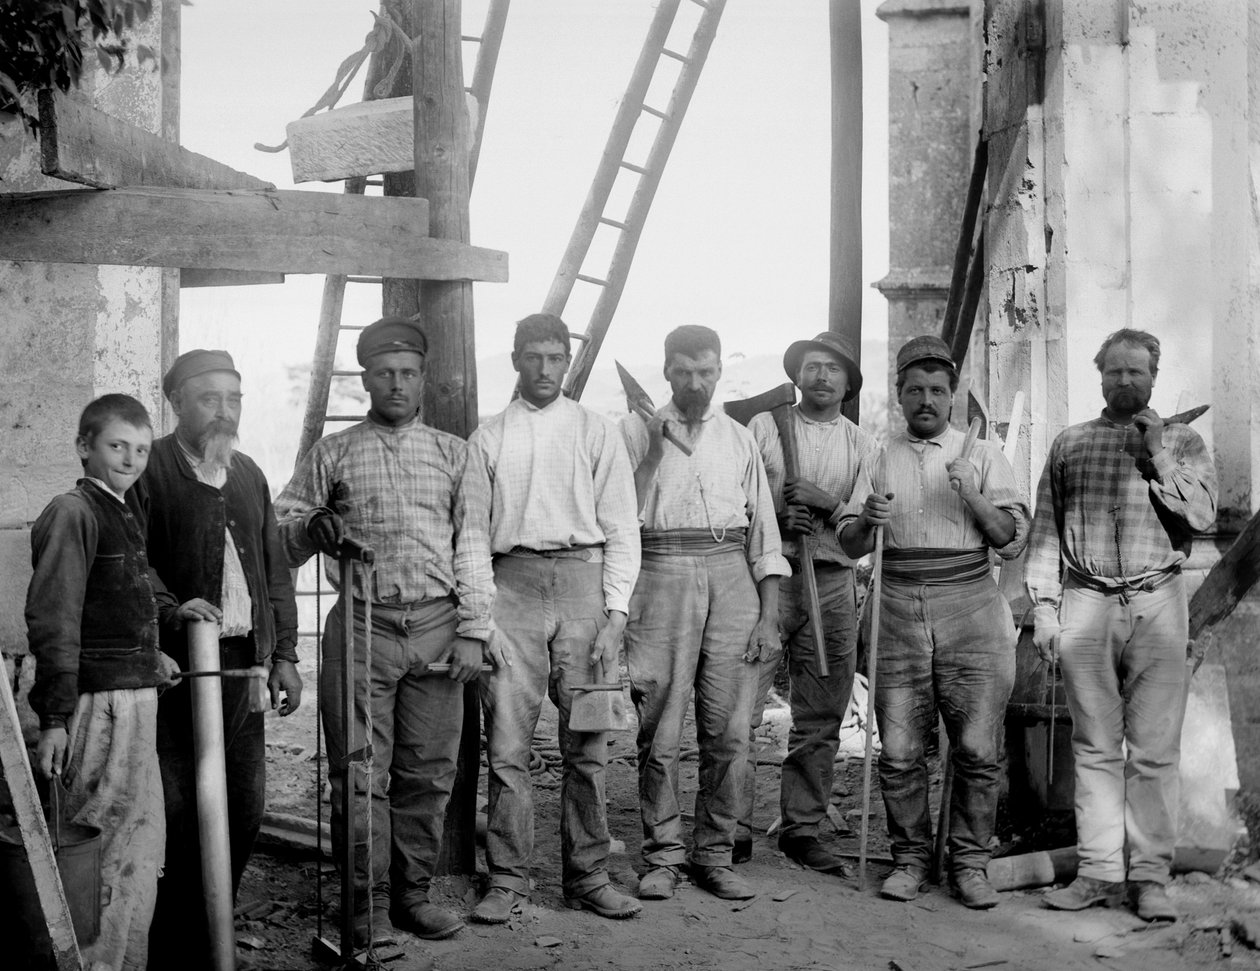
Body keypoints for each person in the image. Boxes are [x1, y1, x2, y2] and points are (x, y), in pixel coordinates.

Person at [275, 317, 495, 946]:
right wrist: (312, 525)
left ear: (423, 378)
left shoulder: (457, 454)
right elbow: (284, 526)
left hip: (438, 626)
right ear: (365, 378)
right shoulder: (333, 453)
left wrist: (475, 629)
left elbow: (473, 545)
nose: (396, 384)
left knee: (427, 774)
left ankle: (412, 895)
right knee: (358, 770)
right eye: (384, 374)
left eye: (408, 373)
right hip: (363, 628)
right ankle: (365, 906)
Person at [1026, 329, 1216, 922]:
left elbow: (1203, 516)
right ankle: (1100, 873)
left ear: (1154, 377)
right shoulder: (1070, 443)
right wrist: (1044, 610)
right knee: (1095, 746)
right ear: (1099, 375)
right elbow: (1045, 530)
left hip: (1159, 601)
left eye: (1136, 372)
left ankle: (1151, 878)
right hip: (1087, 601)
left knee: (1155, 751)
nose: (1125, 381)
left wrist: (1158, 449)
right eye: (1114, 372)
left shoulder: (1183, 440)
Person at [838, 334, 1029, 909]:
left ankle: (969, 864)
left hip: (971, 603)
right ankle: (910, 860)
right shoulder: (876, 454)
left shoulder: (984, 454)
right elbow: (848, 544)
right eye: (915, 390)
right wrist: (865, 519)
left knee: (975, 747)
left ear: (953, 397)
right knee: (899, 750)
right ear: (899, 396)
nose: (927, 399)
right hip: (895, 603)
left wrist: (972, 494)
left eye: (938, 390)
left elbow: (1011, 541)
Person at [26, 394, 216, 971]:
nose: (130, 460)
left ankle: (123, 962)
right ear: (84, 447)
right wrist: (54, 719)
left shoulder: (121, 510)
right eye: (116, 446)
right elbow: (54, 619)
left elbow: (125, 593)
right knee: (99, 848)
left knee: (135, 847)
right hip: (97, 708)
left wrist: (159, 636)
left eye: (139, 449)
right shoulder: (73, 511)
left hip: (131, 701)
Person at [463, 313, 642, 923]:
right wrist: (482, 619)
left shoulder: (596, 431)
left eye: (555, 357)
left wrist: (615, 613)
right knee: (508, 744)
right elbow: (470, 537)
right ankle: (508, 878)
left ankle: (588, 875)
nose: (544, 369)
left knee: (587, 742)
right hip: (511, 586)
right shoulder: (487, 438)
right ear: (515, 358)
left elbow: (622, 526)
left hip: (583, 588)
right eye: (533, 357)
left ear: (567, 361)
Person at [135, 349, 303, 968]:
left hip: (241, 669)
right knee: (179, 815)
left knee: (244, 807)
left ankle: (214, 935)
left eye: (234, 398)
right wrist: (169, 607)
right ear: (177, 403)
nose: (224, 411)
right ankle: (176, 951)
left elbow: (274, 569)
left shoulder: (249, 472)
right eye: (210, 399)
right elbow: (131, 559)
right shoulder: (149, 468)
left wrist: (284, 654)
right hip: (174, 673)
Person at [621, 324, 788, 903]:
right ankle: (664, 856)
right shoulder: (632, 431)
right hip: (659, 572)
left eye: (707, 372)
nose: (695, 383)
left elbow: (765, 535)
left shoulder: (740, 439)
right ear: (666, 370)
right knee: (659, 730)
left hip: (731, 576)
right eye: (684, 372)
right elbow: (619, 521)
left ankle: (714, 854)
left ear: (720, 371)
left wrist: (768, 617)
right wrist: (653, 449)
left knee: (730, 732)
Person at [739, 330, 877, 871]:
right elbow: (739, 501)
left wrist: (827, 503)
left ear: (847, 382)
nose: (820, 376)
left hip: (832, 583)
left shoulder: (863, 445)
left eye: (833, 368)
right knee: (739, 712)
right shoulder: (764, 427)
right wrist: (776, 513)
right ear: (797, 375)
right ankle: (730, 829)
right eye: (811, 366)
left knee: (819, 715)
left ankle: (801, 828)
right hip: (765, 586)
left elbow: (858, 533)